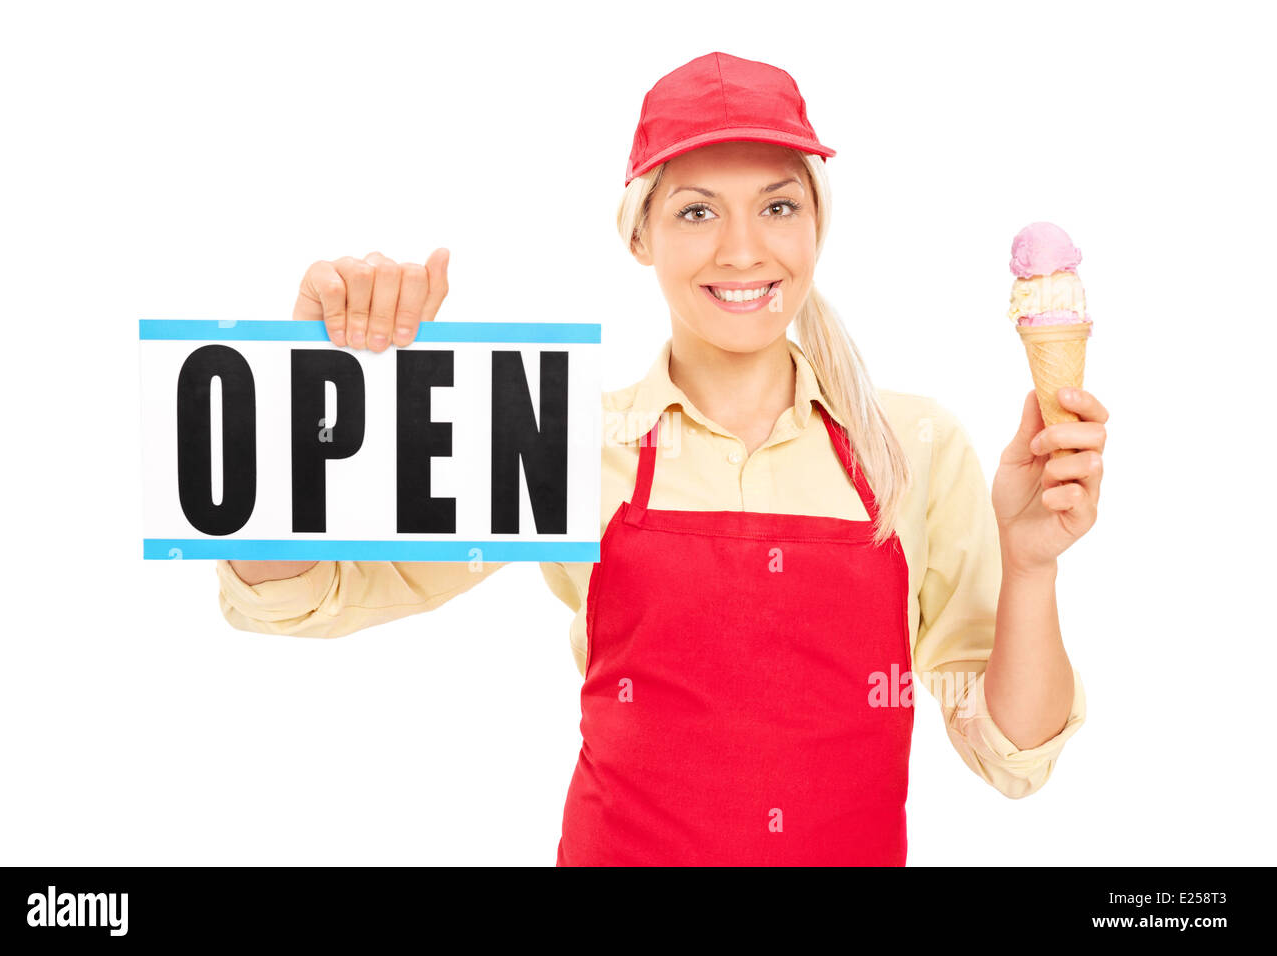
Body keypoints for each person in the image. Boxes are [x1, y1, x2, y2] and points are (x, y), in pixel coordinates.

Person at [217, 52, 1108, 866]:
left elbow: (1011, 753)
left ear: (816, 227)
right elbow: (303, 586)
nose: (742, 249)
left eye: (778, 205)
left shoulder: (912, 448)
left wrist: (1031, 567)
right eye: (695, 211)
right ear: (638, 236)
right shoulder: (561, 440)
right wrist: (299, 389)